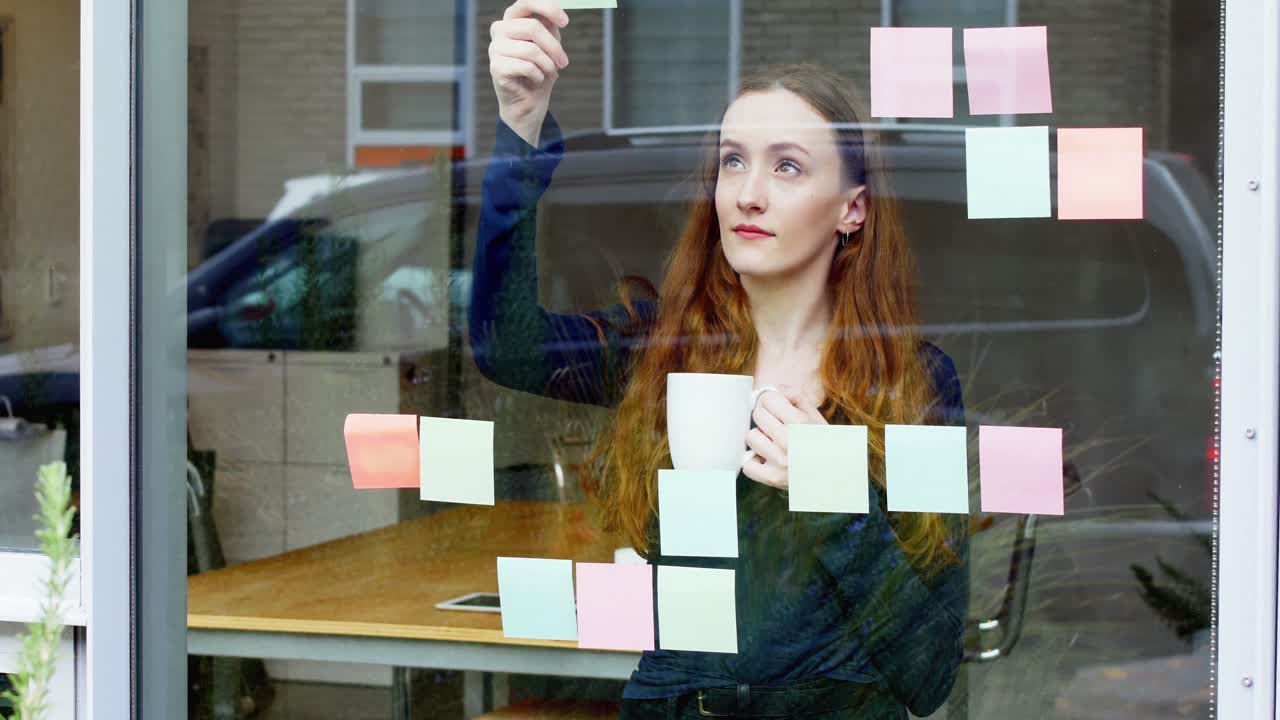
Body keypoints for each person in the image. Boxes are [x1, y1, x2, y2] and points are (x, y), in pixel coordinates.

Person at [471, 1, 969, 716]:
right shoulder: (666, 350)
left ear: (851, 209)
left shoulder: (914, 384)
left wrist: (835, 496)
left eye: (788, 166)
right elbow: (503, 344)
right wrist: (519, 128)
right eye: (733, 160)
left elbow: (928, 674)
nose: (748, 192)